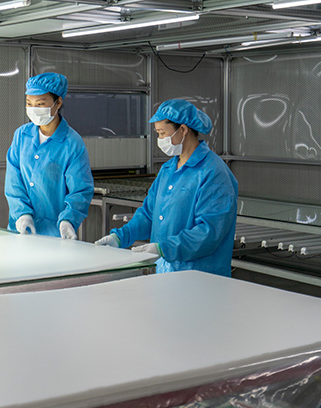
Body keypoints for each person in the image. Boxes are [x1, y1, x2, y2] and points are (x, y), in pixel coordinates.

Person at [95, 99, 238, 276]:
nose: (160, 140)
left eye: (162, 133)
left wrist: (164, 248)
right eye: (158, 134)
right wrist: (119, 237)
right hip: (166, 273)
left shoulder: (213, 172)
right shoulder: (168, 169)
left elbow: (209, 232)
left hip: (201, 276)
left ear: (183, 130)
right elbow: (149, 214)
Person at [5, 72, 94, 238]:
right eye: (29, 103)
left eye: (40, 104)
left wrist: (68, 220)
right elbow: (13, 180)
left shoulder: (72, 143)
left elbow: (80, 190)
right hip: (21, 230)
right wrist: (22, 213)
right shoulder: (21, 136)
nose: (33, 109)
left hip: (54, 234)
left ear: (58, 102)